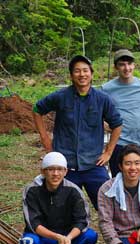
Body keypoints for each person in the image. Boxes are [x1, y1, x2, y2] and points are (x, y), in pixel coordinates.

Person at [32, 55, 123, 210]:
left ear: (91, 74)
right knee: (62, 209)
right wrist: (45, 139)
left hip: (93, 164)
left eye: (85, 71)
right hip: (65, 166)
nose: (82, 74)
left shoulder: (102, 99)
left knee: (107, 206)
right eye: (77, 71)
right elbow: (37, 109)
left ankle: (112, 234)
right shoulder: (61, 97)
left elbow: (117, 124)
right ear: (71, 75)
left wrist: (108, 152)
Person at [19, 152, 97, 244]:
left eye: (60, 169)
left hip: (67, 239)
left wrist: (68, 238)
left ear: (65, 172)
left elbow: (82, 220)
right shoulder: (32, 190)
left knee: (91, 236)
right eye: (51, 169)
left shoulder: (73, 190)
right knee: (27, 242)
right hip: (42, 238)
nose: (56, 174)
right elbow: (33, 223)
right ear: (43, 171)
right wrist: (57, 237)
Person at [101, 49, 140, 177]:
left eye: (129, 64)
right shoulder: (107, 88)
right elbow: (97, 109)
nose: (126, 68)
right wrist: (103, 123)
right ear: (116, 67)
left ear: (133, 65)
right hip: (119, 142)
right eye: (122, 64)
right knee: (118, 181)